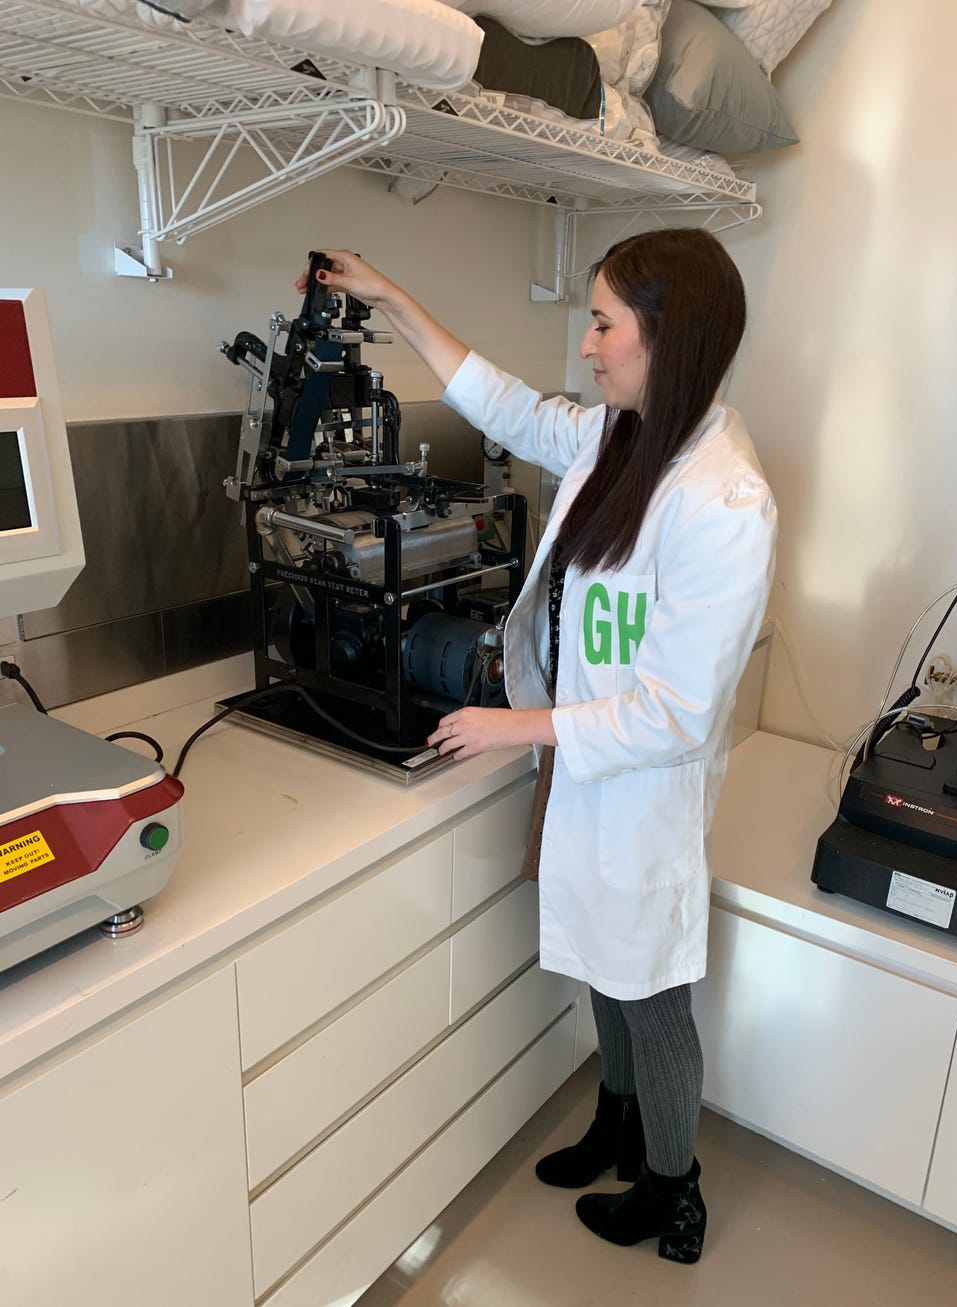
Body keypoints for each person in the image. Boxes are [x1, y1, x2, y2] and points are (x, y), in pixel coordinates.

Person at [297, 230, 776, 1265]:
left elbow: (675, 713)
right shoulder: (622, 435)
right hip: (578, 755)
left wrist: (515, 724)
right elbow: (506, 405)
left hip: (638, 779)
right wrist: (390, 291)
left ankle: (671, 1182)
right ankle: (616, 1120)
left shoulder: (722, 501)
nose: (588, 345)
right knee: (602, 959)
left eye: (604, 323)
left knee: (649, 984)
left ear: (668, 339)